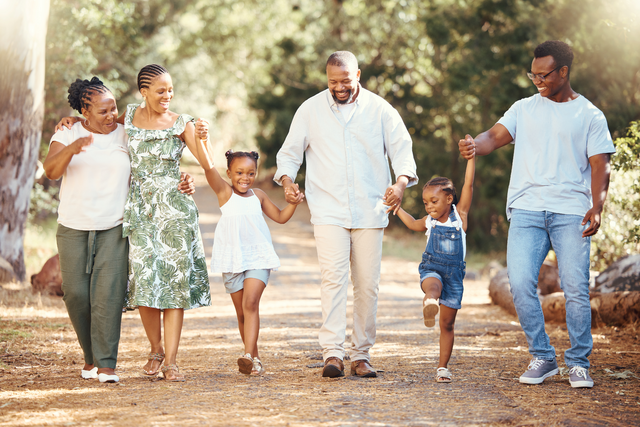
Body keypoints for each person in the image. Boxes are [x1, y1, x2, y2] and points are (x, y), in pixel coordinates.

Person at [458, 40, 615, 388]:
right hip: (527, 209)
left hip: (571, 211)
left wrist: (597, 206)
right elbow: (493, 136)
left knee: (575, 288)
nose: (538, 80)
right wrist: (474, 145)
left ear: (564, 72)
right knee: (518, 283)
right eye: (533, 74)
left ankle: (578, 362)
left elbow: (600, 164)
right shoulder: (523, 108)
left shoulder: (589, 114)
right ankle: (543, 357)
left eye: (544, 75)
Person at [275, 51, 418, 378]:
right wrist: (286, 182)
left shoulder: (380, 109)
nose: (339, 87)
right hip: (327, 208)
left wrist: (400, 184)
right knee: (333, 280)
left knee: (367, 284)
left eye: (345, 80)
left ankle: (361, 354)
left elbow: (401, 150)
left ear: (358, 75)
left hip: (371, 208)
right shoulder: (310, 109)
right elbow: (289, 154)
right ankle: (333, 354)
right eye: (332, 81)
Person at [44, 77, 195, 383]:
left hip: (114, 227)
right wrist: (73, 147)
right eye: (102, 111)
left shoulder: (127, 134)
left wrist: (183, 176)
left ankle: (107, 365)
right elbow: (51, 171)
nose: (111, 115)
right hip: (73, 226)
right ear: (85, 112)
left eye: (113, 108)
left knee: (108, 296)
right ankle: (90, 358)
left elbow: (158, 148)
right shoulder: (68, 131)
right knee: (75, 295)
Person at [201, 149, 304, 375]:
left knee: (250, 304)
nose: (245, 178)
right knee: (241, 314)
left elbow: (280, 217)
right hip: (232, 259)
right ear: (228, 173)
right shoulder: (224, 193)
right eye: (239, 173)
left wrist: (294, 203)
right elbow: (208, 167)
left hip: (258, 256)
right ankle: (254, 359)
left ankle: (247, 355)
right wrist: (201, 139)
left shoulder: (258, 196)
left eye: (250, 173)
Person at [395, 152, 475, 383]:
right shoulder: (429, 221)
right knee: (433, 288)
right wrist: (397, 208)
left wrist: (471, 158)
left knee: (447, 325)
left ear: (449, 199)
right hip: (432, 268)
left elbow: (468, 184)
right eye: (426, 203)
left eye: (434, 201)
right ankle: (430, 302)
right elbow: (412, 223)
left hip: (455, 277)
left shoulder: (459, 217)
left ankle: (442, 368)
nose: (429, 207)